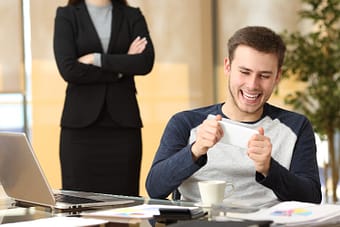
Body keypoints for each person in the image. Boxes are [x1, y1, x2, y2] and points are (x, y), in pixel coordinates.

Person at [146, 26, 321, 206]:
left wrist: (269, 168)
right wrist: (195, 150)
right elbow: (155, 189)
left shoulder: (296, 126)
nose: (252, 85)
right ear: (228, 67)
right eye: (244, 72)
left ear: (277, 77)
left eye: (265, 76)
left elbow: (312, 197)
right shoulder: (185, 122)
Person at [53, 0, 154, 196]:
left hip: (123, 129)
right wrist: (122, 66)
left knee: (122, 209)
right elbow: (69, 70)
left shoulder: (132, 15)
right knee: (79, 210)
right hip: (80, 132)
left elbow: (144, 62)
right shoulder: (67, 15)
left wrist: (96, 59)